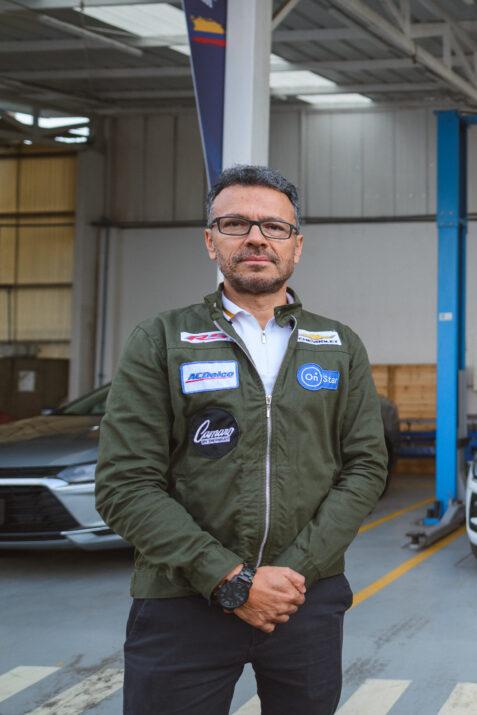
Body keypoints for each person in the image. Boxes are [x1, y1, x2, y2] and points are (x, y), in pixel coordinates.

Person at [95, 164, 388, 714]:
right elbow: (125, 485)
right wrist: (228, 579)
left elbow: (365, 467)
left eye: (274, 227)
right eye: (235, 224)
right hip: (184, 600)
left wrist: (294, 572)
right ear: (211, 241)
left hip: (303, 598)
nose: (256, 238)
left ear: (296, 246)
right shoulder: (161, 340)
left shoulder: (338, 345)